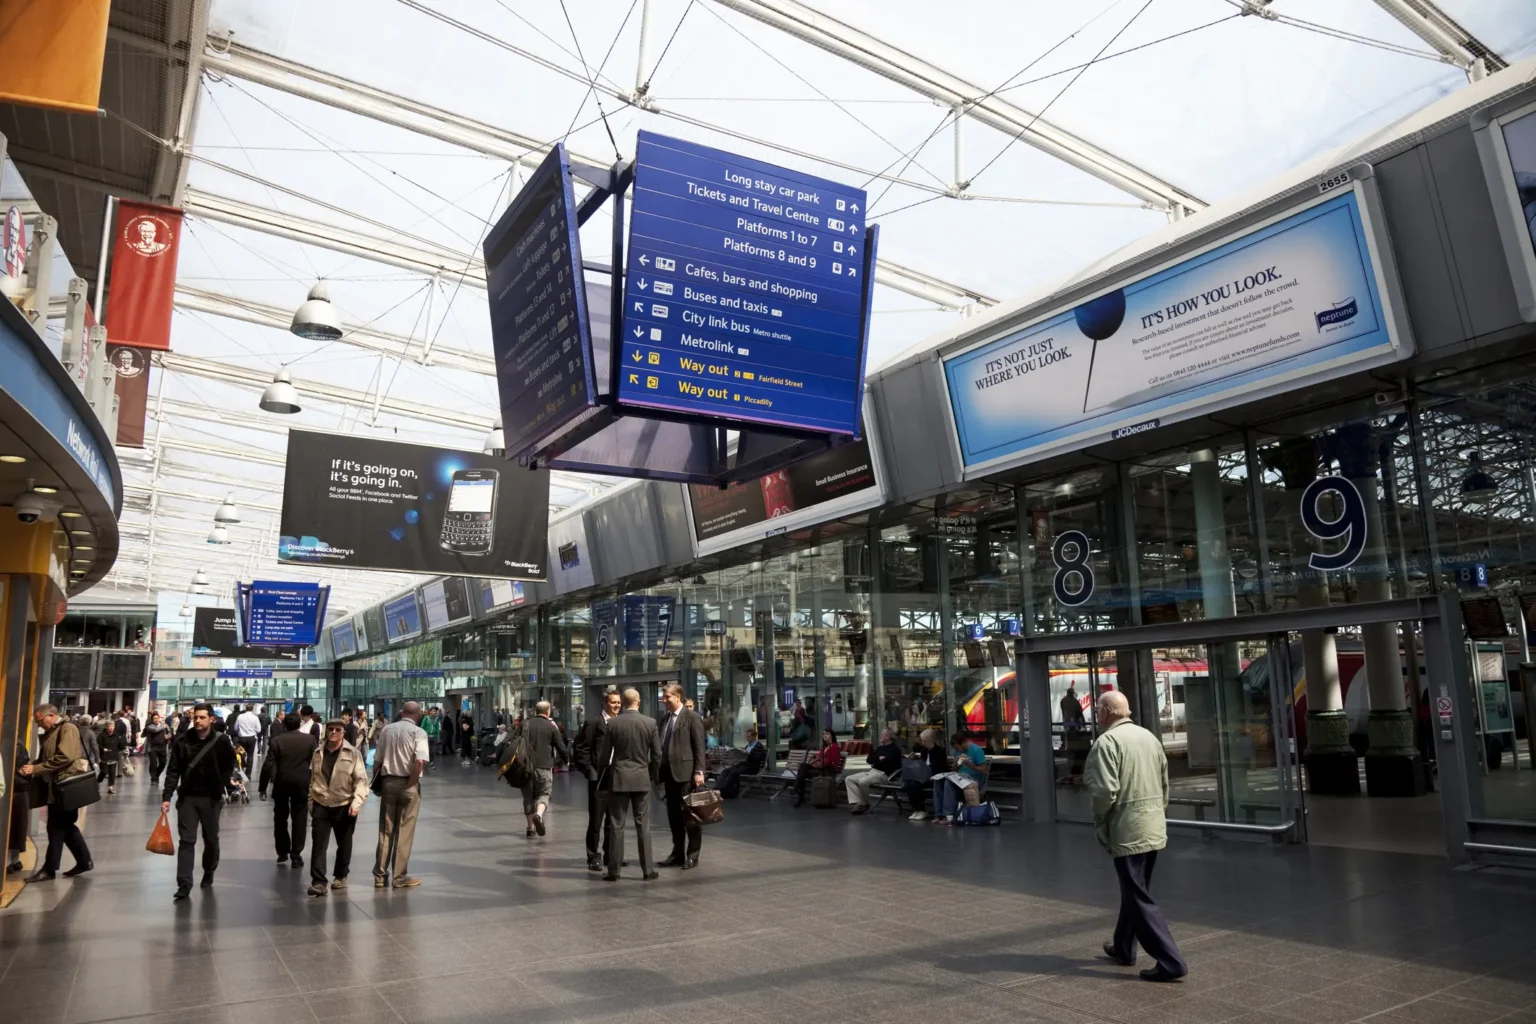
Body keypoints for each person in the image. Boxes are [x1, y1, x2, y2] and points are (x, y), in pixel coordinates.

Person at [1086, 690, 1186, 983]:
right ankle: (1123, 947)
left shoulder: (1107, 742)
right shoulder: (1149, 738)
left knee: (1138, 895)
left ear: (1106, 712)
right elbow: (1165, 782)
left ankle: (1170, 961)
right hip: (1152, 825)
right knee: (1136, 889)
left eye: (1097, 711)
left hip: (1127, 829)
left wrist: (1101, 822)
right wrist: (1156, 814)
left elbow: (1104, 792)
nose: (1096, 716)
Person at [161, 703, 236, 900]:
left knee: (211, 839)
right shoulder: (183, 740)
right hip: (188, 798)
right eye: (196, 717)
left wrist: (222, 783)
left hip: (211, 798)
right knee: (187, 840)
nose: (198, 721)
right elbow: (173, 770)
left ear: (211, 719)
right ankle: (184, 883)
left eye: (202, 717)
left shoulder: (221, 741)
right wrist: (167, 797)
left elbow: (230, 763)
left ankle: (209, 870)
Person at [20, 705, 92, 881]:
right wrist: (32, 766)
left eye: (40, 721)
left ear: (51, 715)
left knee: (56, 827)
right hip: (56, 786)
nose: (39, 725)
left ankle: (50, 869)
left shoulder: (67, 728)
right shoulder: (53, 731)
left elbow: (64, 757)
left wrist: (36, 768)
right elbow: (48, 757)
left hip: (65, 787)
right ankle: (84, 861)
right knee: (65, 826)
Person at [602, 688, 660, 882]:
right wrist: (651, 775)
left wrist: (606, 773)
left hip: (619, 778)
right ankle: (647, 870)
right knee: (643, 825)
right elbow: (657, 755)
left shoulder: (613, 723)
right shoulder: (650, 723)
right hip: (641, 778)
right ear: (639, 701)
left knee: (617, 825)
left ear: (623, 703)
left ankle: (614, 871)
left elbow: (604, 755)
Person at [307, 718, 369, 898]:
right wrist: (311, 800)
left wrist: (356, 802)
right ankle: (318, 882)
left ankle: (341, 875)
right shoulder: (318, 752)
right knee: (318, 844)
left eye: (337, 730)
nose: (333, 732)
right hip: (321, 804)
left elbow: (361, 781)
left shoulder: (353, 753)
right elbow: (313, 779)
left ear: (343, 733)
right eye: (331, 729)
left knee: (344, 843)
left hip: (344, 804)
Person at [373, 700, 430, 889]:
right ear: (418, 714)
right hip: (408, 783)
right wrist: (411, 783)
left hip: (388, 781)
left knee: (386, 830)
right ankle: (399, 876)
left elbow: (377, 761)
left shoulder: (387, 730)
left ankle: (380, 876)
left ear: (401, 712)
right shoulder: (419, 733)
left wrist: (377, 783)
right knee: (404, 831)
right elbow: (420, 762)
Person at [656, 683, 708, 868]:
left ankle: (692, 855)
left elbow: (699, 747)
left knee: (690, 816)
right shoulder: (665, 719)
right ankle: (677, 853)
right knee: (673, 817)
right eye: (663, 697)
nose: (664, 700)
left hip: (686, 775)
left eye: (667, 697)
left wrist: (699, 771)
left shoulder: (691, 717)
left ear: (678, 697)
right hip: (669, 775)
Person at [259, 712, 319, 868]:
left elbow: (268, 765)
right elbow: (318, 763)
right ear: (300, 724)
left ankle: (282, 851)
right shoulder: (310, 740)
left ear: (284, 725)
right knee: (300, 819)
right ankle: (296, 854)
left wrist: (262, 788)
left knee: (280, 819)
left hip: (282, 783)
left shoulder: (276, 741)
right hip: (302, 783)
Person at [572, 689, 621, 870]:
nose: (616, 706)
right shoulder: (594, 722)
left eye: (619, 703)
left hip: (617, 777)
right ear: (604, 703)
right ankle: (593, 856)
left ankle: (610, 854)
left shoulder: (621, 723)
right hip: (599, 778)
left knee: (613, 820)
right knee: (596, 820)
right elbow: (581, 748)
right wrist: (590, 771)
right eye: (613, 702)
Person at [520, 701, 569, 838]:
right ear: (548, 712)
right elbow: (561, 746)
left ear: (535, 711)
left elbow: (511, 739)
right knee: (544, 793)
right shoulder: (551, 726)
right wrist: (566, 760)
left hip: (526, 767)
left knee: (528, 798)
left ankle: (530, 828)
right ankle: (539, 814)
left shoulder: (525, 724)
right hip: (544, 766)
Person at [932, 730, 989, 826]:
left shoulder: (976, 750)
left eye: (957, 748)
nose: (957, 750)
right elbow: (955, 769)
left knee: (948, 783)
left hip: (972, 781)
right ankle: (939, 814)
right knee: (938, 781)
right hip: (959, 779)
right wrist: (955, 763)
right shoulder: (958, 752)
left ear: (963, 742)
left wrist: (971, 765)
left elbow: (984, 770)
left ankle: (949, 815)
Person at [844, 729, 903, 814]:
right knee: (849, 779)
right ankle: (857, 803)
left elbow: (887, 764)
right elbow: (869, 759)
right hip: (872, 771)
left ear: (888, 737)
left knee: (863, 781)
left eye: (882, 734)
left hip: (883, 775)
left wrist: (876, 760)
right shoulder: (880, 748)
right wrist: (878, 759)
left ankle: (864, 803)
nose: (880, 736)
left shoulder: (895, 750)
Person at [793, 727, 844, 807]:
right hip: (820, 769)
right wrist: (816, 762)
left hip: (828, 771)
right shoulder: (824, 748)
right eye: (823, 734)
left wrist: (818, 761)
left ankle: (798, 793)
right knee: (803, 767)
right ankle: (799, 794)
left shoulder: (835, 747)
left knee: (802, 773)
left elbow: (828, 762)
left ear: (832, 736)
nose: (824, 736)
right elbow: (819, 759)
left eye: (827, 734)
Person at [905, 728, 949, 821]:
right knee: (908, 784)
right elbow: (923, 763)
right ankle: (916, 809)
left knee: (915, 785)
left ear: (930, 740)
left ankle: (922, 809)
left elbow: (939, 767)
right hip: (924, 775)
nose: (923, 743)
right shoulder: (924, 751)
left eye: (924, 741)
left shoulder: (940, 751)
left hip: (934, 777)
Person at [717, 727, 767, 799]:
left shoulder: (758, 746)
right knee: (725, 771)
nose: (747, 738)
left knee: (733, 772)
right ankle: (717, 789)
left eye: (749, 737)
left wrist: (747, 753)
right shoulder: (748, 745)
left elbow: (757, 759)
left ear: (753, 737)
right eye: (746, 736)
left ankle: (726, 792)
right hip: (744, 764)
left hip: (752, 767)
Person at [8, 742, 29, 875]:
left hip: (14, 790)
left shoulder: (13, 745)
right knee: (18, 826)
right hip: (20, 789)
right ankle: (14, 860)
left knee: (12, 827)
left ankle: (10, 861)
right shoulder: (18, 744)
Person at [1062, 684, 1088, 783]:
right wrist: (1083, 724)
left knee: (1069, 741)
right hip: (1074, 724)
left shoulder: (1063, 701)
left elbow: (1063, 712)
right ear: (1072, 693)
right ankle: (1074, 751)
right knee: (1075, 742)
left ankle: (1070, 750)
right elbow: (1079, 713)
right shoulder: (1075, 701)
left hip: (1067, 724)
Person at [97, 718, 127, 794]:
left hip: (114, 756)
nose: (111, 727)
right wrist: (103, 748)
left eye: (112, 726)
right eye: (109, 726)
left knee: (112, 773)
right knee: (104, 771)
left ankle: (111, 787)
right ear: (106, 727)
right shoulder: (102, 735)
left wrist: (124, 748)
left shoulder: (116, 735)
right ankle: (98, 781)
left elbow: (121, 745)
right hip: (104, 757)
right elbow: (98, 744)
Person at [143, 711, 171, 785]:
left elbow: (170, 732)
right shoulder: (150, 726)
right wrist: (163, 727)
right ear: (152, 719)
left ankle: (156, 775)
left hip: (162, 747)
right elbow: (155, 730)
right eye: (154, 718)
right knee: (153, 763)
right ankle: (153, 779)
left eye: (157, 718)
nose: (156, 719)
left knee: (163, 762)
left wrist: (168, 736)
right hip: (152, 748)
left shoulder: (164, 725)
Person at [232, 704, 261, 773]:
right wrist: (253, 732)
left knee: (241, 754)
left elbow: (235, 728)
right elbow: (259, 729)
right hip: (251, 739)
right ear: (252, 709)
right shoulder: (255, 717)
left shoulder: (240, 717)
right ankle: (248, 774)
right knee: (250, 756)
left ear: (246, 708)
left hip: (242, 738)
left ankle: (241, 771)